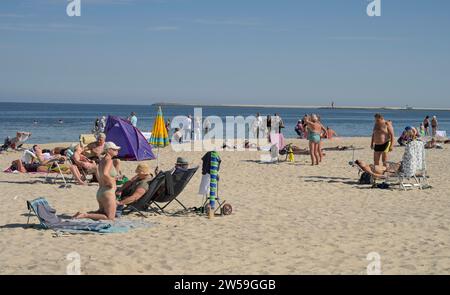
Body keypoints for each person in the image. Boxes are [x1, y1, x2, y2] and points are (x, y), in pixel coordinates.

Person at [74, 142, 121, 220]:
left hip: (101, 191)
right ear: (109, 150)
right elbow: (105, 174)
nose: (117, 151)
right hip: (108, 192)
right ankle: (85, 215)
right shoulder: (109, 160)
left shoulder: (102, 161)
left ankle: (82, 214)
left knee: (101, 212)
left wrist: (111, 179)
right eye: (115, 149)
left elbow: (99, 177)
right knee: (110, 217)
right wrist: (111, 181)